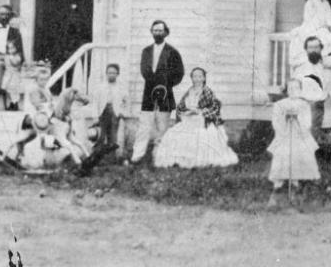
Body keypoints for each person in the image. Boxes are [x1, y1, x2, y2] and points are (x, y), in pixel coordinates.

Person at [152, 67, 238, 168]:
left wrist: (201, 112)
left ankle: (199, 161)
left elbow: (215, 107)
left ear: (204, 78)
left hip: (202, 121)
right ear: (192, 78)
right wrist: (187, 112)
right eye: (194, 76)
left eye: (200, 76)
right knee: (174, 134)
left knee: (200, 137)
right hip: (188, 120)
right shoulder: (189, 91)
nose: (197, 79)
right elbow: (180, 107)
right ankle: (180, 160)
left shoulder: (207, 91)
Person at [134, 19, 184, 163]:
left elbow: (179, 73)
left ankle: (160, 156)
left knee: (163, 126)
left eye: (160, 31)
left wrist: (166, 84)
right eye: (155, 31)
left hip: (166, 93)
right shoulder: (146, 51)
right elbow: (144, 70)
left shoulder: (172, 52)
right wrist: (154, 83)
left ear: (166, 32)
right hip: (148, 92)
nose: (157, 33)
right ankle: (137, 156)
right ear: (151, 32)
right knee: (144, 125)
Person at [268, 74, 327, 194]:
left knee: (298, 155)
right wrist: (284, 123)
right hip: (285, 134)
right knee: (282, 155)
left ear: (300, 90)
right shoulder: (281, 104)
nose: (293, 91)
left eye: (295, 88)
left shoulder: (304, 105)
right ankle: (279, 181)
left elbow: (307, 121)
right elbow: (276, 120)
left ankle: (295, 180)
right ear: (287, 90)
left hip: (299, 134)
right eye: (290, 88)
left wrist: (298, 120)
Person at [286, 35, 331, 144]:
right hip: (304, 103)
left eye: (316, 47)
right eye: (311, 47)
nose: (314, 50)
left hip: (320, 104)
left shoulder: (327, 67)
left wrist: (325, 61)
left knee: (313, 127)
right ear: (306, 50)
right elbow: (294, 88)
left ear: (321, 49)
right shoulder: (301, 68)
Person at [95, 63, 140, 162]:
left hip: (114, 112)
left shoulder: (121, 87)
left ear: (117, 74)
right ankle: (97, 159)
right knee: (101, 136)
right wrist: (95, 114)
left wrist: (123, 112)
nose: (111, 75)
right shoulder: (101, 86)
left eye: (114, 73)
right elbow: (96, 101)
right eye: (109, 73)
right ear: (106, 73)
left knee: (113, 136)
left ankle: (112, 159)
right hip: (103, 112)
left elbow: (127, 100)